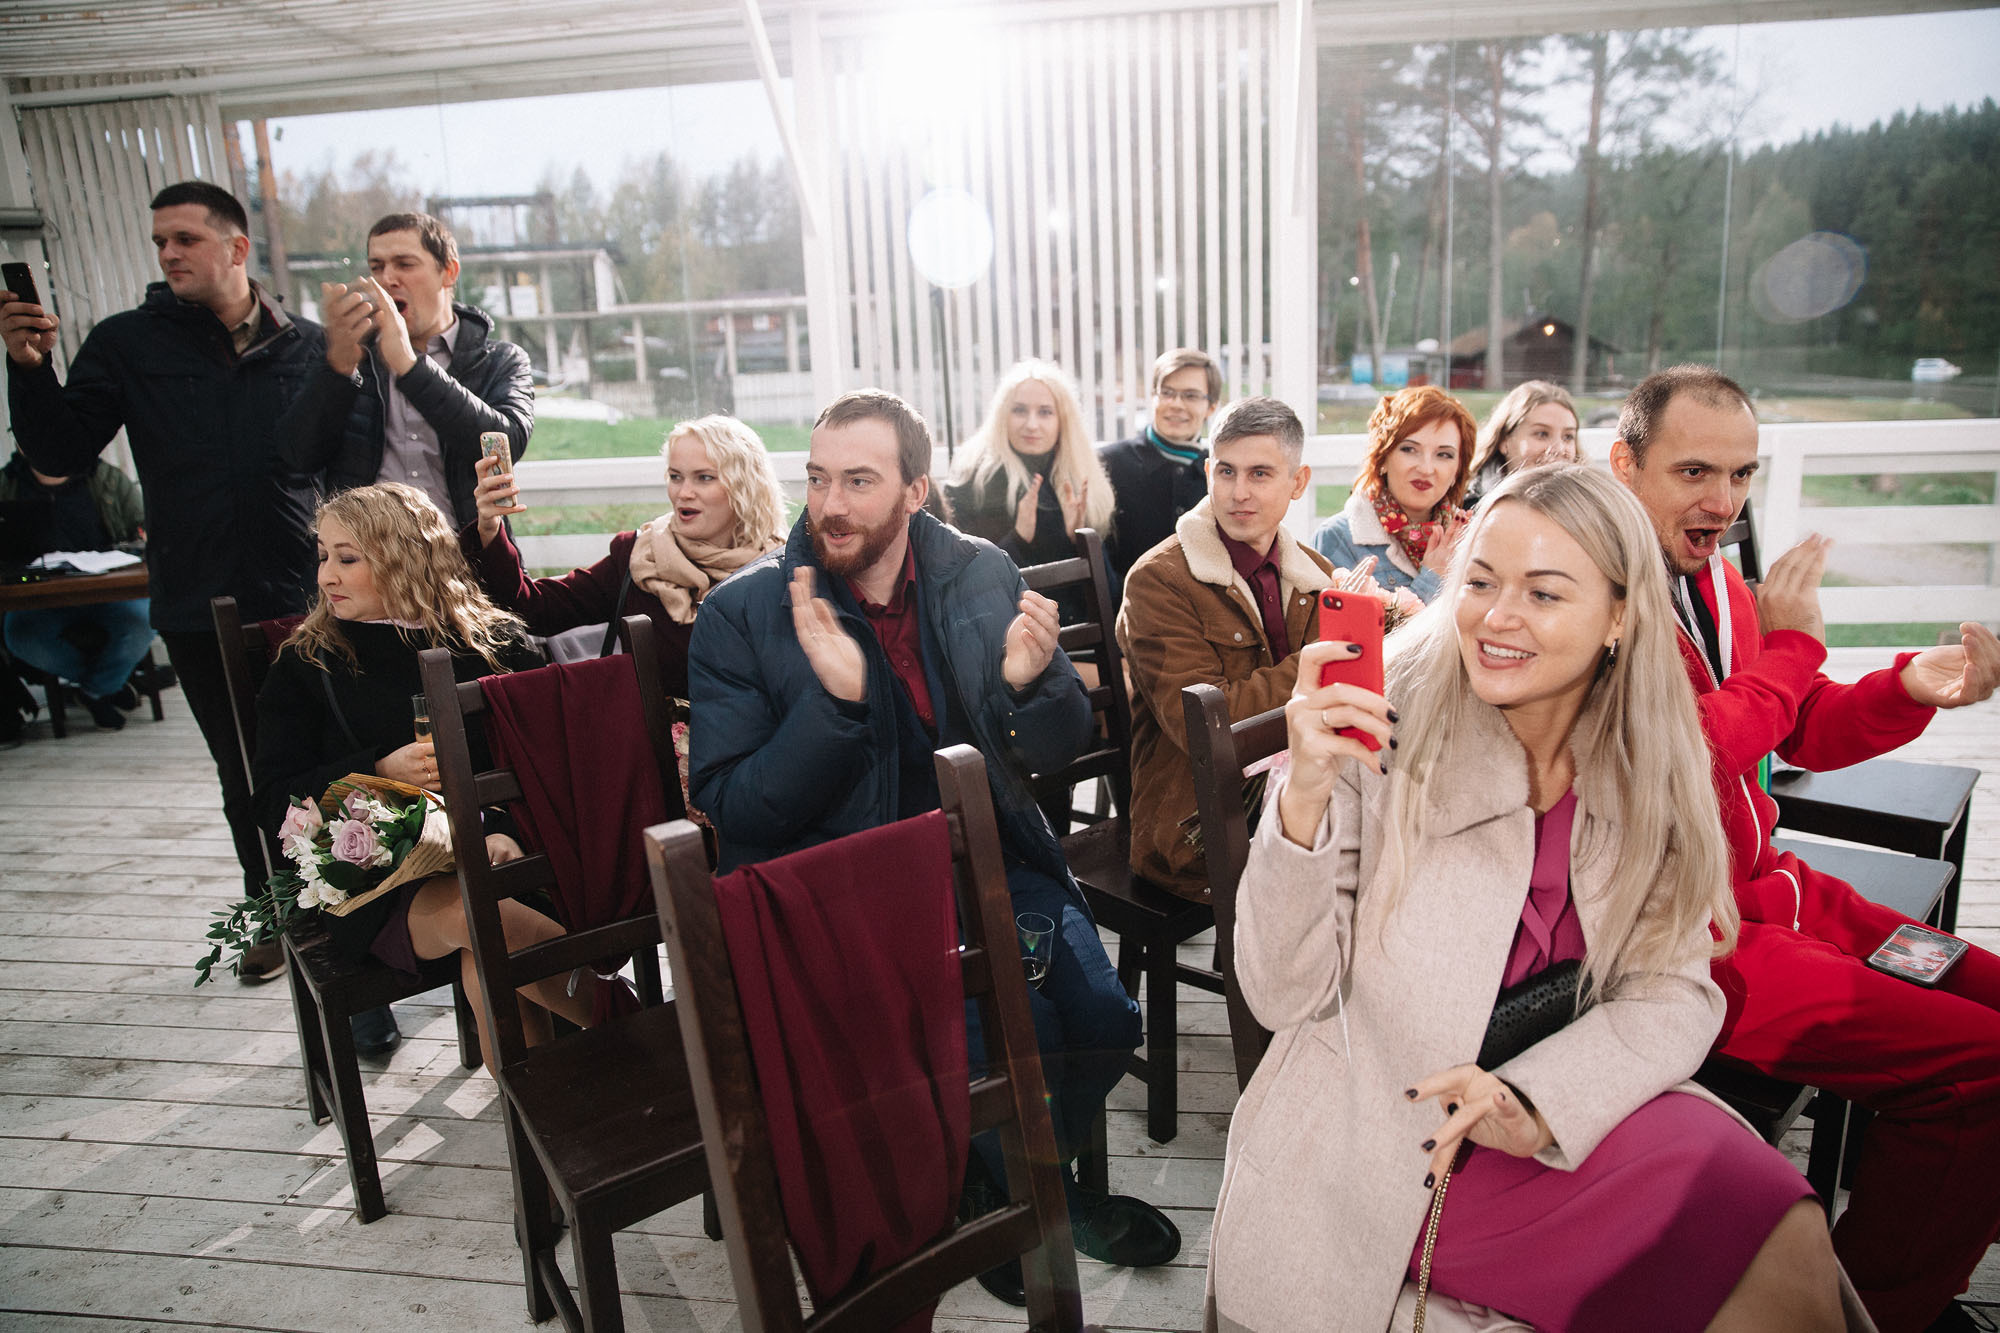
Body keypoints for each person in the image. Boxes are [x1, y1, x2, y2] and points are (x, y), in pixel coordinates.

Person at [1208, 464, 1850, 1333]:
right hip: (1390, 1144)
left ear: (1620, 616)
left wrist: (1536, 1100)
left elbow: (1677, 990)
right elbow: (1281, 991)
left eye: (1544, 593)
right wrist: (1305, 798)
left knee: (1792, 1232)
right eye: (1478, 581)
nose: (1495, 618)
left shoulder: (1649, 754)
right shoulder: (1386, 717)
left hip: (1563, 1108)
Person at [688, 388, 1180, 1305]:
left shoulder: (979, 572)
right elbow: (731, 807)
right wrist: (831, 708)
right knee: (1014, 1041)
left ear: (915, 490)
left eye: (860, 481)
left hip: (992, 863)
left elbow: (1055, 744)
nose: (830, 504)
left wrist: (1033, 688)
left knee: (1106, 1023)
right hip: (856, 902)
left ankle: (1023, 1176)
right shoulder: (745, 613)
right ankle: (1030, 1193)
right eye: (820, 478)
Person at [1609, 364, 2000, 1333]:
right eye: (1694, 471)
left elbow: (1802, 727)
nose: (1722, 501)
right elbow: (1682, 759)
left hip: (1787, 896)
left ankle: (1912, 1230)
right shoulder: (1591, 598)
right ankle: (1873, 1308)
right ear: (1622, 467)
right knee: (1984, 1070)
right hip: (1691, 943)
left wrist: (1910, 687)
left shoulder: (1719, 585)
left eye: (1739, 475)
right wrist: (1789, 650)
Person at [4, 180, 324, 989]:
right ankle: (275, 914)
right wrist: (28, 370)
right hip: (198, 603)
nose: (169, 254)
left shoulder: (308, 346)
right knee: (244, 771)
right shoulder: (126, 345)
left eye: (184, 239)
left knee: (328, 759)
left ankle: (344, 912)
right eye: (160, 243)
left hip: (310, 599)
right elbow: (59, 459)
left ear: (237, 249)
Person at [251, 483, 610, 1061]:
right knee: (483, 919)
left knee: (487, 970)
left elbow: (556, 764)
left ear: (404, 557)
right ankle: (652, 1034)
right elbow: (272, 801)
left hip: (511, 856)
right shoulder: (308, 664)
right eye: (322, 555)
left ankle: (549, 1120)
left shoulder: (496, 643)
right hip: (380, 882)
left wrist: (507, 832)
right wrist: (376, 769)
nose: (325, 576)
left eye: (347, 558)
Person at [1116, 396, 1332, 902]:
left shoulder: (1315, 573)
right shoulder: (1157, 581)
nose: (1239, 493)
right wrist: (1324, 663)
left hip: (1301, 802)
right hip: (1195, 827)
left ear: (1297, 484)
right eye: (1227, 472)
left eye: (1260, 474)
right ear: (1208, 472)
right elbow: (1210, 731)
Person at [467, 414, 787, 697]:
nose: (683, 492)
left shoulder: (781, 569)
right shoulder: (638, 555)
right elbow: (533, 608)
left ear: (745, 486)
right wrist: (491, 528)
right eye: (675, 476)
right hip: (653, 756)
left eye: (704, 477)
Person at [288, 211, 534, 528]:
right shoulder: (347, 355)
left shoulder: (502, 359)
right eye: (377, 267)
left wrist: (410, 365)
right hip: (368, 563)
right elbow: (298, 458)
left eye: (405, 264)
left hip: (466, 559)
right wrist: (336, 370)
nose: (387, 278)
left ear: (449, 272)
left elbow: (505, 446)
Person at [0, 450, 150, 731]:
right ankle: (106, 686)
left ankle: (94, 691)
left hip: (108, 588)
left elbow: (142, 524)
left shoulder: (105, 477)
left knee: (144, 620)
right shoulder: (7, 483)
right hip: (40, 598)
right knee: (20, 636)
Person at [943, 358, 1116, 573]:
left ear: (1063, 420)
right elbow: (959, 579)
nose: (1031, 425)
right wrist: (1017, 540)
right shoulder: (972, 480)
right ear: (1002, 415)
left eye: (1045, 412)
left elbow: (1110, 593)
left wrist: (1079, 540)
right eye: (1019, 410)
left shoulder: (1081, 478)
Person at [1311, 384, 1476, 605]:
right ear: (1382, 458)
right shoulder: (1337, 538)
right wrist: (1433, 578)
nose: (1426, 468)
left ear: (1458, 470)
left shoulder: (1471, 536)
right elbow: (1349, 636)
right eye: (1409, 449)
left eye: (1444, 455)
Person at [1098, 348, 1223, 591]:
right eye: (1167, 393)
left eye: (1191, 396)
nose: (1176, 404)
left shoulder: (1221, 473)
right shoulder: (1109, 464)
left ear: (1211, 406)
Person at [1463, 379, 1582, 508]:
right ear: (1504, 441)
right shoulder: (1467, 510)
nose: (1559, 448)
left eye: (1568, 437)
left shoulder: (1590, 507)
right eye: (1542, 434)